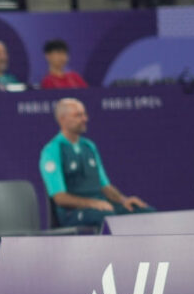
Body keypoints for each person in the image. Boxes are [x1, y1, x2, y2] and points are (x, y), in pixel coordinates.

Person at [39, 98, 153, 229]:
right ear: (62, 119)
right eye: (78, 115)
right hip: (73, 213)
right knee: (108, 218)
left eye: (84, 114)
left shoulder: (89, 146)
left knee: (144, 213)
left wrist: (124, 200)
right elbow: (59, 197)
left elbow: (104, 186)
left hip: (102, 206)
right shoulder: (52, 150)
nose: (84, 119)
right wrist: (92, 203)